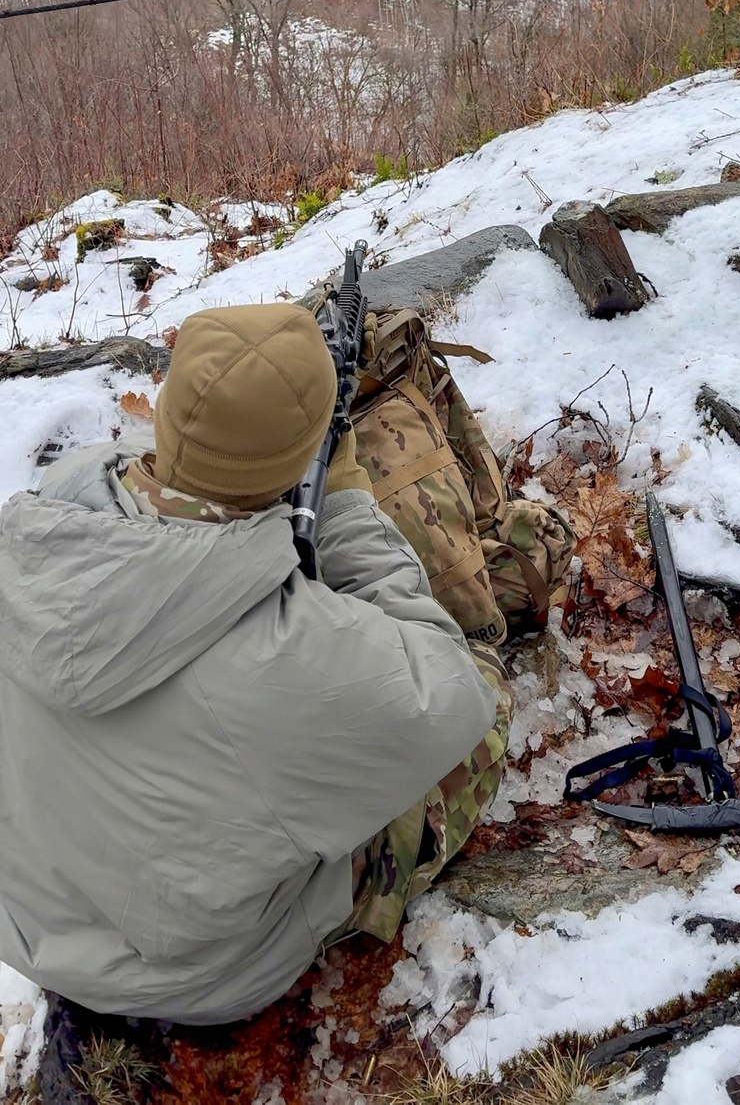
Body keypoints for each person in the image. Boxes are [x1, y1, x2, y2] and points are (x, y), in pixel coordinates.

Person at [0, 303, 511, 1024]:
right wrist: (347, 503)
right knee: (487, 687)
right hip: (195, 975)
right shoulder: (299, 655)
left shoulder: (44, 511)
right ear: (301, 459)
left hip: (28, 921)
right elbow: (451, 696)